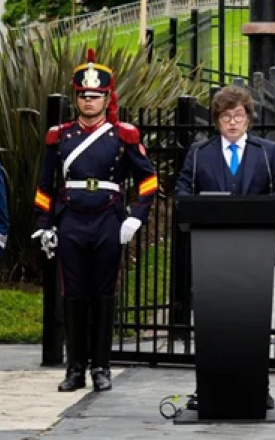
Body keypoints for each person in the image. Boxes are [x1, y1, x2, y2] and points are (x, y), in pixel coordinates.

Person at [32, 49, 158, 392]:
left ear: (107, 98)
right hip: (71, 219)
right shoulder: (61, 137)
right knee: (73, 295)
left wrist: (136, 217)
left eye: (96, 96)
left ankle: (101, 367)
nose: (89, 102)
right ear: (76, 99)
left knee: (103, 295)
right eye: (84, 96)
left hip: (108, 219)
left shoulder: (123, 136)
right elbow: (45, 186)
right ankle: (75, 369)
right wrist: (44, 224)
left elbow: (148, 180)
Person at [174, 84, 275, 410]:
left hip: (255, 253)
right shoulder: (199, 154)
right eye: (226, 117)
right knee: (214, 322)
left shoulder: (268, 152)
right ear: (216, 121)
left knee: (252, 322)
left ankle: (257, 387)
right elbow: (183, 191)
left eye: (238, 115)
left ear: (249, 118)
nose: (233, 123)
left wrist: (266, 207)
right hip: (211, 256)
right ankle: (209, 388)